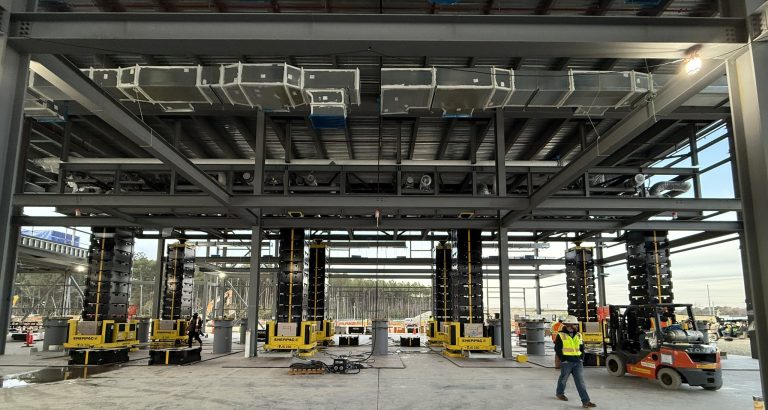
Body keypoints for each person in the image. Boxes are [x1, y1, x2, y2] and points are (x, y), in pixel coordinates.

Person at [555, 316, 596, 408]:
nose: (571, 326)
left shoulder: (579, 335)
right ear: (566, 325)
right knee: (563, 379)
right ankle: (559, 393)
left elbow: (582, 348)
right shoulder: (561, 335)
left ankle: (586, 401)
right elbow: (557, 349)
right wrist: (563, 359)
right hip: (566, 362)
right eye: (569, 324)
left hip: (578, 362)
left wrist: (581, 358)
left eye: (573, 324)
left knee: (580, 382)